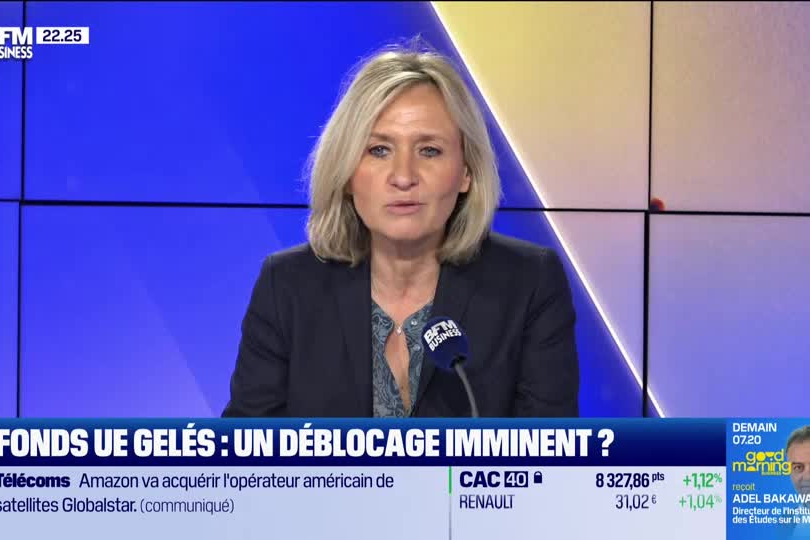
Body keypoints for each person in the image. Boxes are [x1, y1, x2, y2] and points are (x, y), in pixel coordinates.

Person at [221, 43, 579, 418]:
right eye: (379, 150)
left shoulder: (528, 284)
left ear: (466, 172)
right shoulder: (287, 286)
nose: (404, 177)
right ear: (347, 172)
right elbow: (245, 445)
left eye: (429, 150)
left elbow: (549, 447)